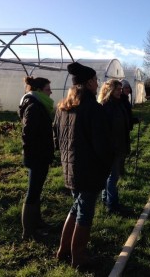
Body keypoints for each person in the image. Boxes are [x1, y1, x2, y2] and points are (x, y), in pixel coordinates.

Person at [53, 62, 113, 269]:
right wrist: (107, 164)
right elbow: (102, 145)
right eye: (96, 80)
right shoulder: (93, 109)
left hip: (70, 169)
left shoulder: (62, 108)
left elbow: (57, 140)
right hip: (89, 171)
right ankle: (78, 258)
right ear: (88, 83)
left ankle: (63, 250)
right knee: (84, 214)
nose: (98, 84)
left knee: (76, 208)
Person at [18, 76, 55, 240]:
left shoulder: (39, 104)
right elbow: (28, 135)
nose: (51, 92)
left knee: (37, 189)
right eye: (48, 89)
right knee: (33, 192)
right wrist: (33, 155)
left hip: (41, 154)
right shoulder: (33, 106)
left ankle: (37, 222)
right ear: (39, 91)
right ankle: (28, 231)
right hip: (36, 156)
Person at [98, 79, 130, 213]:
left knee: (110, 176)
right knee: (113, 177)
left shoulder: (118, 103)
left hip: (119, 144)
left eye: (120, 89)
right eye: (117, 89)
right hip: (113, 147)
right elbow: (106, 130)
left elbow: (122, 122)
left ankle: (106, 199)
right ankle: (113, 205)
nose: (120, 91)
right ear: (109, 90)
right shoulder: (106, 106)